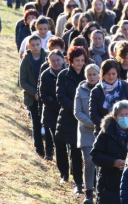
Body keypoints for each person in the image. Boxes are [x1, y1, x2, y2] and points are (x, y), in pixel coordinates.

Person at [91, 100, 128, 204]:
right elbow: (95, 154)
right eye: (121, 115)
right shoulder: (106, 132)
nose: (125, 117)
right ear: (115, 117)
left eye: (127, 114)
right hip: (109, 184)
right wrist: (113, 162)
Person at [55, 46, 87, 195]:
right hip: (68, 117)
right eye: (77, 60)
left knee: (80, 151)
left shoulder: (87, 75)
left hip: (85, 118)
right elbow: (61, 96)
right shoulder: (64, 75)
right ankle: (74, 179)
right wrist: (76, 108)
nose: (80, 63)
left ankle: (82, 181)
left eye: (82, 60)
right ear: (71, 61)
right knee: (70, 149)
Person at [89, 60, 128, 134]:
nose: (111, 77)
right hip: (104, 131)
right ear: (103, 74)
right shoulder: (96, 91)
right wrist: (109, 124)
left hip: (126, 128)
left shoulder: (125, 87)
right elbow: (93, 115)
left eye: (113, 74)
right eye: (108, 74)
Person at [20, 35, 48, 157]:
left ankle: (50, 150)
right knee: (36, 124)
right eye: (33, 45)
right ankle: (39, 150)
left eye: (38, 44)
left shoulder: (47, 57)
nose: (36, 47)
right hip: (33, 98)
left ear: (41, 44)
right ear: (29, 46)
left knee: (48, 124)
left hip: (46, 96)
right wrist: (34, 93)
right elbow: (23, 81)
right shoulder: (26, 60)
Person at [74, 64, 99, 204]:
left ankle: (100, 190)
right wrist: (92, 123)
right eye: (89, 74)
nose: (92, 77)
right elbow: (77, 112)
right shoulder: (81, 89)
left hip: (102, 131)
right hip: (86, 132)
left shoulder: (104, 89)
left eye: (94, 74)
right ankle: (88, 193)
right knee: (89, 162)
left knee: (101, 164)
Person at [39, 49, 65, 163]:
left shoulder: (68, 73)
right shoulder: (45, 75)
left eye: (58, 60)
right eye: (53, 61)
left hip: (67, 112)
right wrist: (57, 105)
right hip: (51, 113)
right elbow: (43, 95)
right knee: (57, 141)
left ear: (63, 60)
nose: (56, 63)